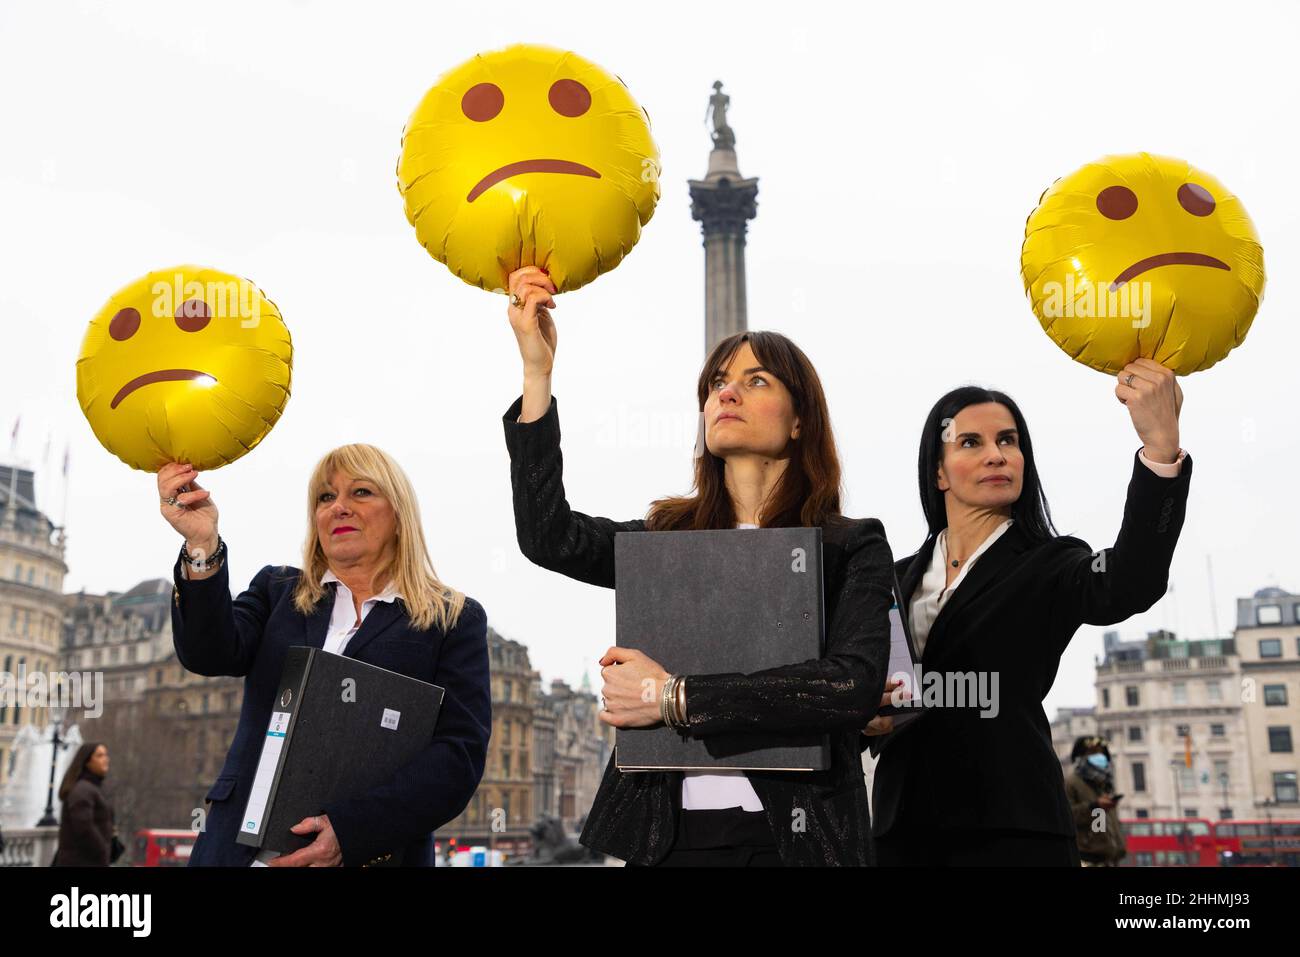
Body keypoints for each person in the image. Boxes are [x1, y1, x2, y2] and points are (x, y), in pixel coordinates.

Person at [501, 266, 894, 866]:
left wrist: (671, 696)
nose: (725, 393)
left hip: (796, 839)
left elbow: (848, 687)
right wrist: (537, 372)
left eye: (754, 380)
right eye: (715, 383)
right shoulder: (668, 540)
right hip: (667, 839)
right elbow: (548, 537)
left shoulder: (851, 545)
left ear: (799, 419)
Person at [867, 361, 1190, 865]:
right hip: (901, 833)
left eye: (1009, 441)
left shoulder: (1050, 563)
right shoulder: (892, 576)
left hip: (1014, 833)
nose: (997, 454)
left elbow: (1132, 582)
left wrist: (1160, 451)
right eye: (971, 442)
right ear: (937, 470)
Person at [159, 444, 491, 866]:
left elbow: (458, 757)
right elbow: (208, 654)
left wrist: (350, 830)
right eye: (326, 497)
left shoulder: (452, 619)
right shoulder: (275, 590)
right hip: (236, 852)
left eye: (362, 492)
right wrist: (202, 543)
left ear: (398, 513)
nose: (340, 508)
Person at [1065, 735, 1126, 866]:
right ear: (1081, 756)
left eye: (1102, 752)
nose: (1099, 756)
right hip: (1087, 860)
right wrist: (1095, 806)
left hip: (1111, 859)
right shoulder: (1071, 783)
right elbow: (1067, 816)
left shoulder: (1105, 783)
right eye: (1093, 752)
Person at [52, 742, 114, 867]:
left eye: (106, 755)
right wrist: (102, 850)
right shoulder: (83, 790)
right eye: (100, 756)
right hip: (82, 862)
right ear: (87, 762)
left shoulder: (93, 788)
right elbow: (84, 828)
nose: (106, 759)